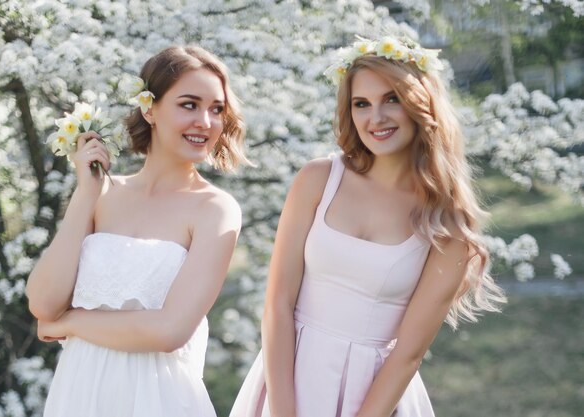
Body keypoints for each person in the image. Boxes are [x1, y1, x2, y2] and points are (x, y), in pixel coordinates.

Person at [230, 35, 506, 417]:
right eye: (362, 104)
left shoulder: (448, 225)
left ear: (420, 104)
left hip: (375, 396)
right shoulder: (317, 179)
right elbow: (277, 304)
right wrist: (282, 409)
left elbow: (408, 355)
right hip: (286, 380)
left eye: (391, 98)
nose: (375, 118)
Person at [26, 45, 248, 417]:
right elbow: (43, 303)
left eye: (216, 109)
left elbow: (169, 331)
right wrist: (86, 194)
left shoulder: (215, 210)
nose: (206, 122)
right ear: (149, 108)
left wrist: (70, 322)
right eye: (189, 105)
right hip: (79, 395)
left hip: (158, 399)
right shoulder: (102, 194)